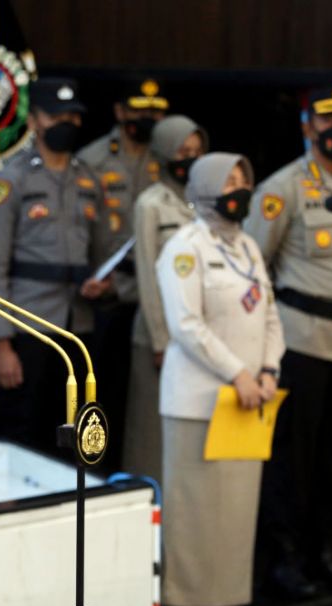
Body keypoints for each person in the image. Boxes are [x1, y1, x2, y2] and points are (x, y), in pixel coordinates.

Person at [243, 85, 332, 597]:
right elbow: (253, 267)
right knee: (294, 460)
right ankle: (285, 562)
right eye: (329, 120)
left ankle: (329, 555)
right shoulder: (283, 188)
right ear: (308, 126)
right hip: (302, 342)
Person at [157, 152, 284, 606]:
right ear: (206, 185)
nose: (239, 189)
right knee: (197, 510)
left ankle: (230, 595)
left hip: (249, 399)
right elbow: (186, 325)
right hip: (199, 401)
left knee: (236, 507)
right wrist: (239, 373)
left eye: (243, 180)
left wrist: (269, 369)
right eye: (229, 180)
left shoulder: (248, 247)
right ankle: (192, 603)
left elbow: (270, 313)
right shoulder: (185, 247)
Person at [0, 77, 109, 455]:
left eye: (72, 115)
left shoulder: (88, 179)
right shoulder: (11, 179)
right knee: (22, 433)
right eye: (56, 116)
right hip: (28, 326)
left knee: (70, 433)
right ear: (34, 120)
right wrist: (1, 345)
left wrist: (101, 283)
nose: (66, 122)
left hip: (77, 327)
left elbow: (99, 257)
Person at [77, 78, 169, 470]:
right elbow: (78, 232)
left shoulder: (165, 159)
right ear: (119, 112)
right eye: (138, 111)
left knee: (141, 403)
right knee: (103, 400)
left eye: (155, 112)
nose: (147, 119)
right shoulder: (93, 159)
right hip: (106, 298)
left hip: (153, 299)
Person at [126, 114, 207, 479]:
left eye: (196, 150)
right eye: (181, 150)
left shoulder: (205, 200)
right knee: (151, 433)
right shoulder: (151, 203)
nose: (189, 157)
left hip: (199, 336)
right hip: (159, 337)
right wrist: (161, 340)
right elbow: (146, 272)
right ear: (162, 154)